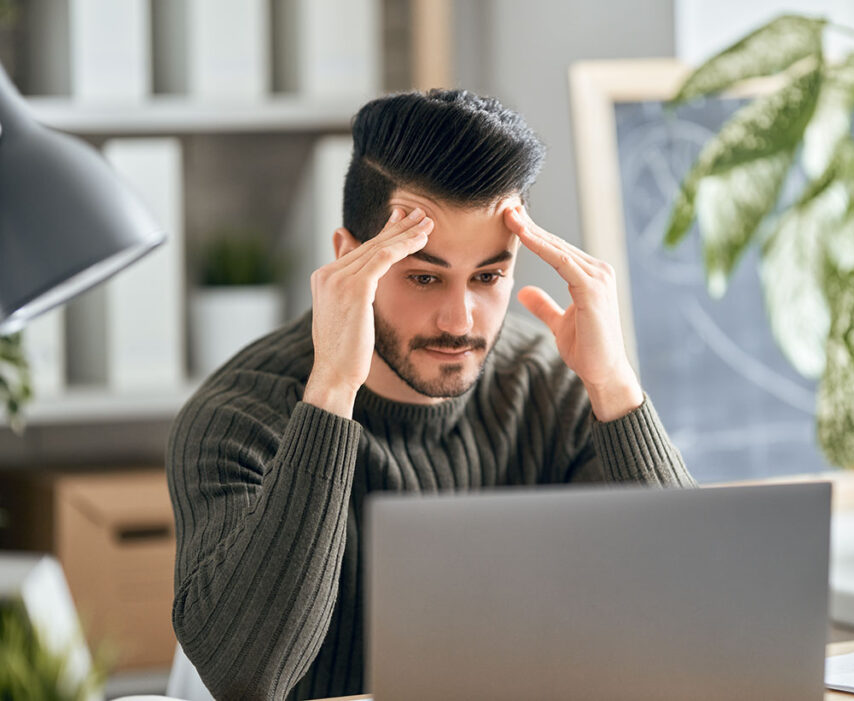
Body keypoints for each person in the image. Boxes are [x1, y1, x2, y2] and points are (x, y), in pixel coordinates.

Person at [166, 89, 697, 701]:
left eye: (489, 276)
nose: (459, 319)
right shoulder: (235, 418)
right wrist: (334, 389)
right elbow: (247, 678)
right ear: (348, 261)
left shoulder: (551, 385)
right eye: (423, 276)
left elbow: (693, 632)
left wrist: (616, 388)